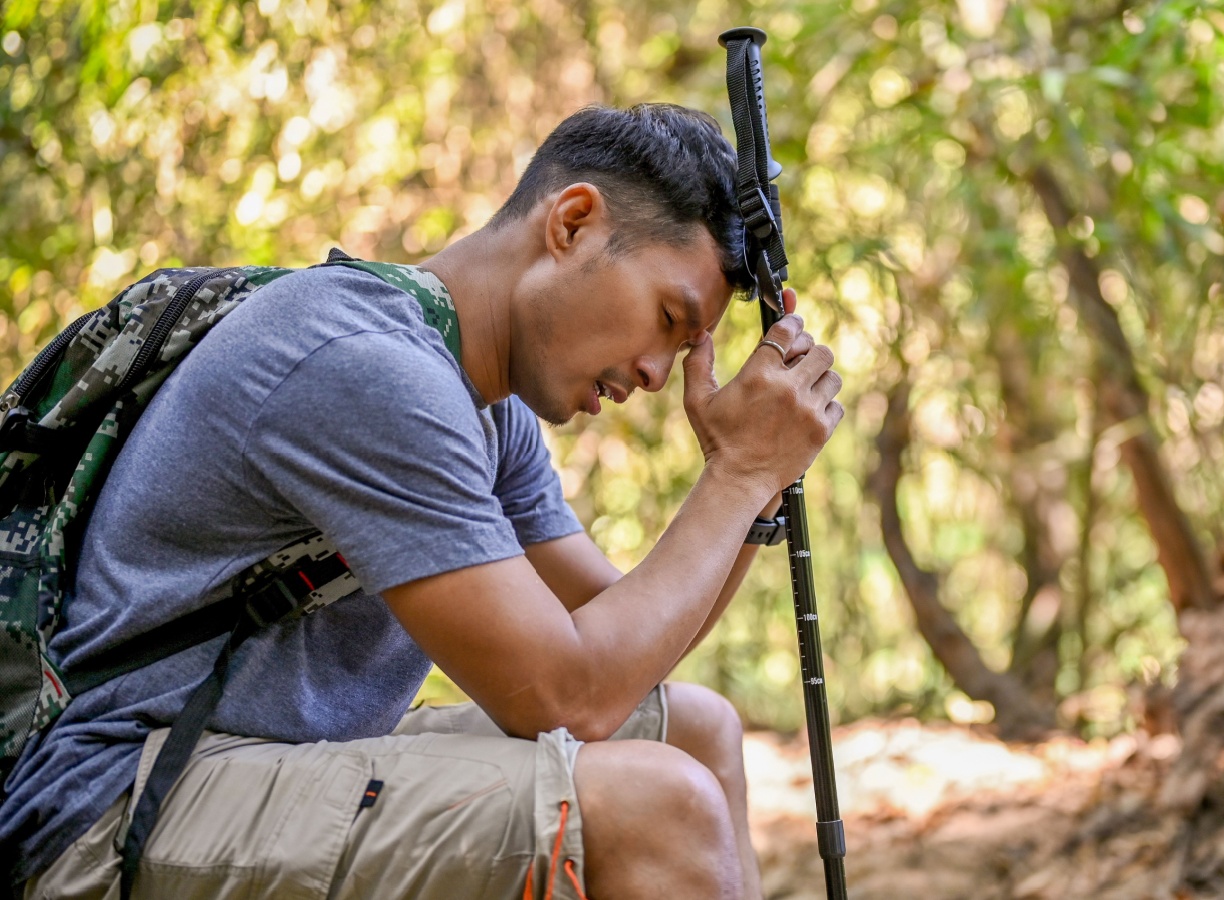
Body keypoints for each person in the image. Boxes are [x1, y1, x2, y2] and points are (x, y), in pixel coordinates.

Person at [0, 102, 843, 900]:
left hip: (254, 763)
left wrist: (752, 482)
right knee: (661, 806)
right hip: (111, 805)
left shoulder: (486, 406)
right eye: (668, 317)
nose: (659, 375)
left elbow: (628, 644)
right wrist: (736, 475)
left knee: (693, 728)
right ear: (573, 222)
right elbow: (570, 694)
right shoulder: (366, 367)